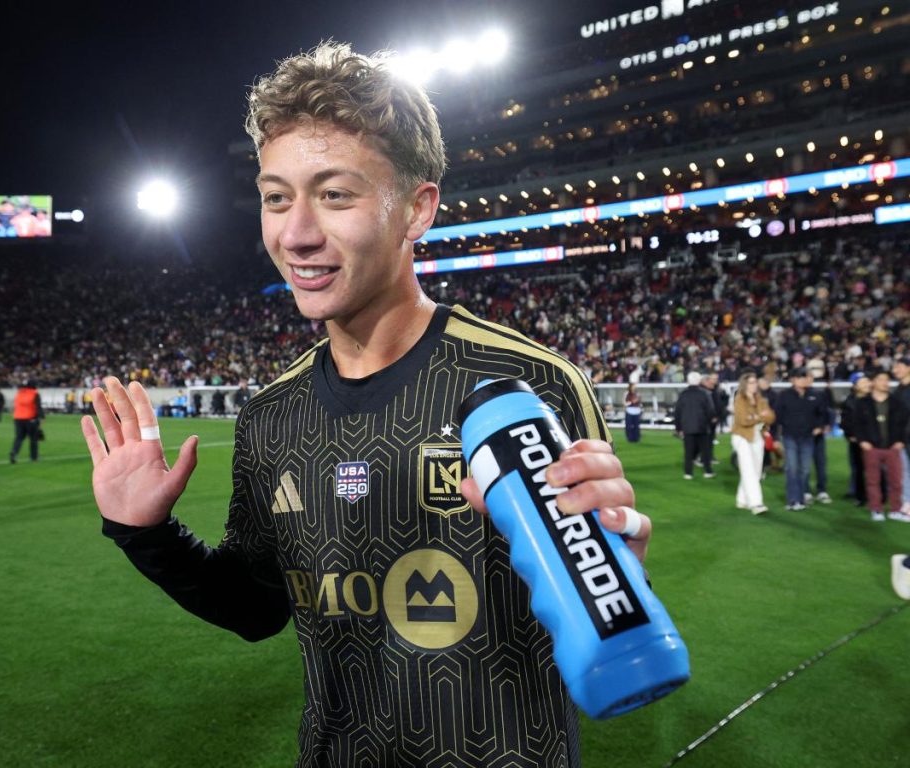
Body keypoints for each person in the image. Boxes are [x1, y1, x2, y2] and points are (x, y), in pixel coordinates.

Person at [81, 42, 651, 768]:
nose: (295, 233)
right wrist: (146, 534)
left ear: (417, 208)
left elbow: (601, 608)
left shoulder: (526, 383)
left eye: (335, 194)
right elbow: (258, 609)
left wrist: (617, 565)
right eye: (276, 196)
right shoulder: (270, 418)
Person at [851, 369, 909, 522]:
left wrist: (901, 440)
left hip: (893, 447)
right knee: (873, 480)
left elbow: (904, 424)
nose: (885, 383)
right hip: (872, 448)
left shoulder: (897, 402)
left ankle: (896, 509)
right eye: (882, 379)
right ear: (873, 382)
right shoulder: (863, 403)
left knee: (896, 480)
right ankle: (876, 509)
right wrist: (862, 441)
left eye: (886, 380)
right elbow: (856, 424)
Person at [774, 367, 828, 511]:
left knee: (804, 469)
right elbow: (776, 418)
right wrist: (775, 438)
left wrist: (820, 426)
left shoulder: (815, 395)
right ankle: (793, 499)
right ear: (792, 380)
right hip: (789, 436)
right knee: (792, 468)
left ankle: (801, 496)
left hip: (807, 437)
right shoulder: (784, 396)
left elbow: (822, 414)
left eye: (805, 377)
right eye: (800, 377)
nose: (804, 380)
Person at [730, 371, 775, 515]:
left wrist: (756, 417)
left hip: (757, 436)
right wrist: (759, 417)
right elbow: (743, 420)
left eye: (755, 382)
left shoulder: (761, 399)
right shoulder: (739, 399)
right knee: (748, 469)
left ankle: (742, 500)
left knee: (755, 471)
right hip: (742, 437)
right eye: (751, 382)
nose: (754, 385)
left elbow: (771, 417)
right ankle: (756, 503)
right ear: (745, 384)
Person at [674, 370, 716, 479]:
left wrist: (678, 427)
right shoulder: (705, 394)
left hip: (687, 426)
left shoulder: (683, 394)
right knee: (705, 451)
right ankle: (708, 471)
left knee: (688, 451)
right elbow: (710, 410)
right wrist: (709, 422)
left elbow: (677, 411)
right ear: (699, 381)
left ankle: (688, 473)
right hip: (702, 426)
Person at [840, 372, 871, 506]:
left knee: (877, 468)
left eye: (867, 381)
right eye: (862, 382)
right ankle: (860, 495)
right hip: (856, 440)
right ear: (855, 385)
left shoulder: (874, 399)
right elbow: (845, 421)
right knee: (858, 468)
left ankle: (878, 494)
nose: (866, 384)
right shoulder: (850, 401)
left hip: (873, 440)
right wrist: (850, 435)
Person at [806, 380, 833, 504]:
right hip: (803, 436)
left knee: (820, 463)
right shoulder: (792, 395)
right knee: (804, 465)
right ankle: (805, 491)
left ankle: (821, 490)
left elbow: (825, 412)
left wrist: (823, 426)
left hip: (818, 435)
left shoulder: (818, 394)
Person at [10, 379, 44, 463]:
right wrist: (42, 417)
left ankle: (14, 452)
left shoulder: (20, 393)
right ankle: (34, 457)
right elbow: (38, 407)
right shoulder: (35, 394)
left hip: (17, 418)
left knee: (19, 437)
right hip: (30, 418)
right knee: (33, 438)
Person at [893, 357, 910, 514]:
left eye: (898, 367)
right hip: (902, 437)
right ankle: (907, 502)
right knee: (904, 469)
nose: (895, 370)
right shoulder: (899, 389)